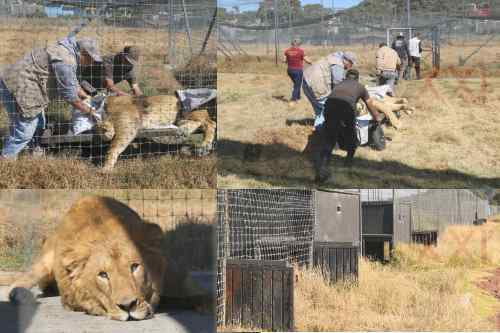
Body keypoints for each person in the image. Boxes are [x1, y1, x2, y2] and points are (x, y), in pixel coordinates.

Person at [0, 36, 102, 159]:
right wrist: (91, 112)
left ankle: (31, 153)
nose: (91, 63)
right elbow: (69, 96)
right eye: (91, 59)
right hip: (20, 87)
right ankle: (7, 160)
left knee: (39, 123)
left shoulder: (67, 50)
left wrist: (86, 97)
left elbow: (72, 82)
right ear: (84, 54)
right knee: (25, 129)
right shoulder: (66, 61)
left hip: (20, 82)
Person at [312, 69, 383, 183]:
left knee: (329, 139)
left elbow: (332, 97)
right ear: (357, 78)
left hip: (330, 106)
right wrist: (377, 117)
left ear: (346, 77)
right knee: (352, 136)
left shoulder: (339, 84)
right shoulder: (360, 87)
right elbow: (369, 103)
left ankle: (322, 170)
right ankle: (348, 163)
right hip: (346, 107)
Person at [302, 51, 357, 129]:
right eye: (351, 64)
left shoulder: (335, 57)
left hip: (306, 79)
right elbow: (337, 84)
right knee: (326, 108)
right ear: (347, 61)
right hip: (316, 84)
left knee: (320, 109)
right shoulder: (338, 65)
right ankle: (322, 131)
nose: (350, 67)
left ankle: (319, 128)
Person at [283, 38, 312, 107]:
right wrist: (311, 62)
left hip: (289, 70)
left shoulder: (287, 51)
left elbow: (284, 60)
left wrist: (290, 60)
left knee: (297, 84)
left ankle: (298, 97)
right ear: (299, 44)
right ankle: (293, 100)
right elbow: (307, 60)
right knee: (297, 85)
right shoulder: (301, 51)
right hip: (298, 71)